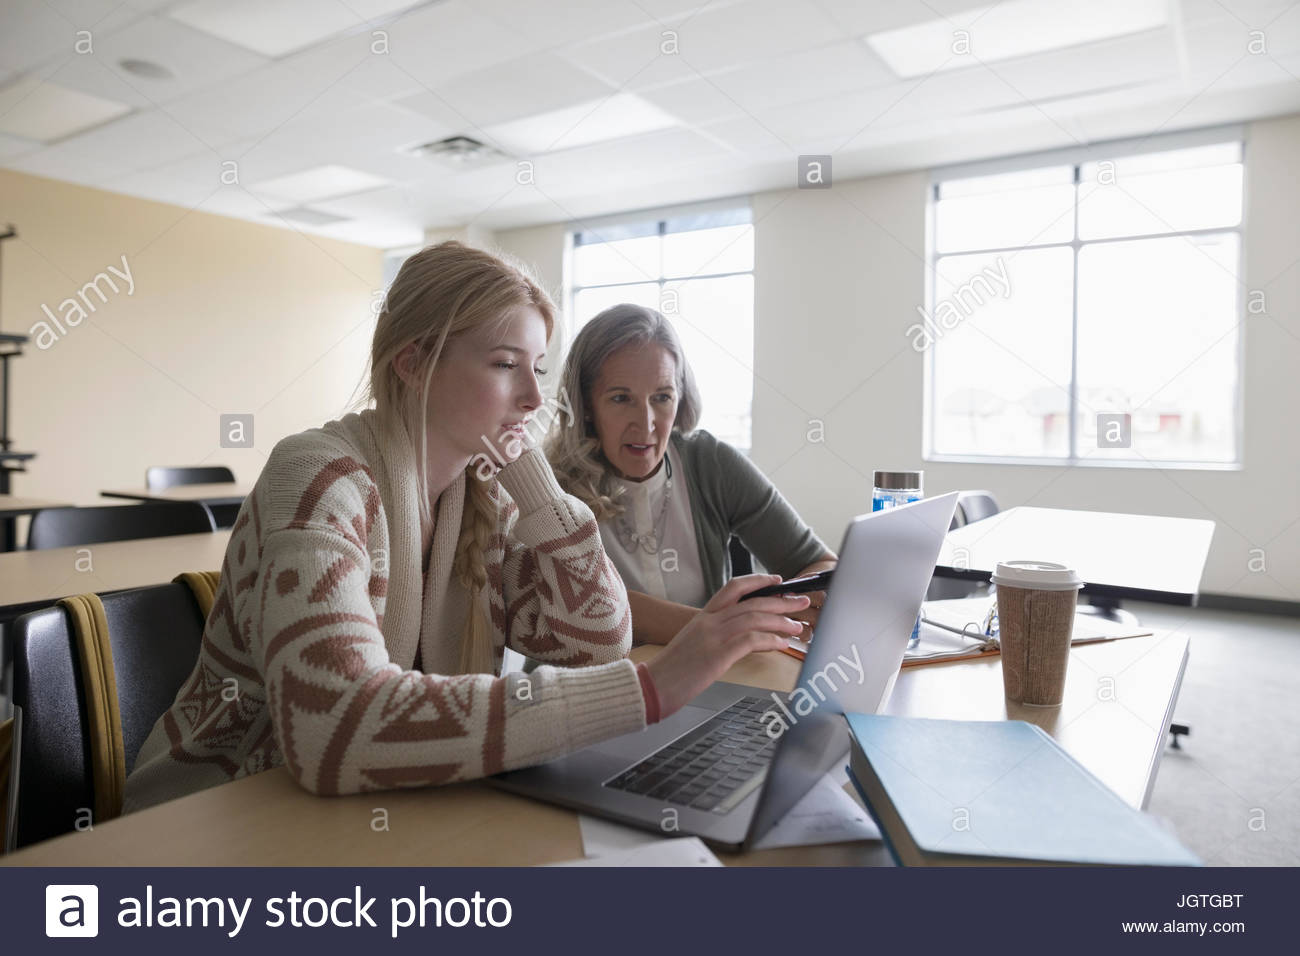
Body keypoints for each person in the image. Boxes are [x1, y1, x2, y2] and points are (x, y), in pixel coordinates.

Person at [126, 242, 809, 810]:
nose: (538, 397)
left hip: (370, 807)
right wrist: (651, 689)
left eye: (538, 369)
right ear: (414, 364)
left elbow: (597, 639)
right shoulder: (317, 475)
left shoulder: (483, 497)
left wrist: (532, 484)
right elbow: (332, 728)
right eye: (506, 365)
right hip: (215, 816)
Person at [546, 304, 837, 646]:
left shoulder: (709, 463)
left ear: (680, 399)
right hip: (586, 690)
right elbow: (599, 608)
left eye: (662, 397)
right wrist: (735, 625)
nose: (646, 423)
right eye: (621, 398)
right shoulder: (551, 484)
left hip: (706, 686)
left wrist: (801, 601)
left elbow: (820, 563)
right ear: (586, 404)